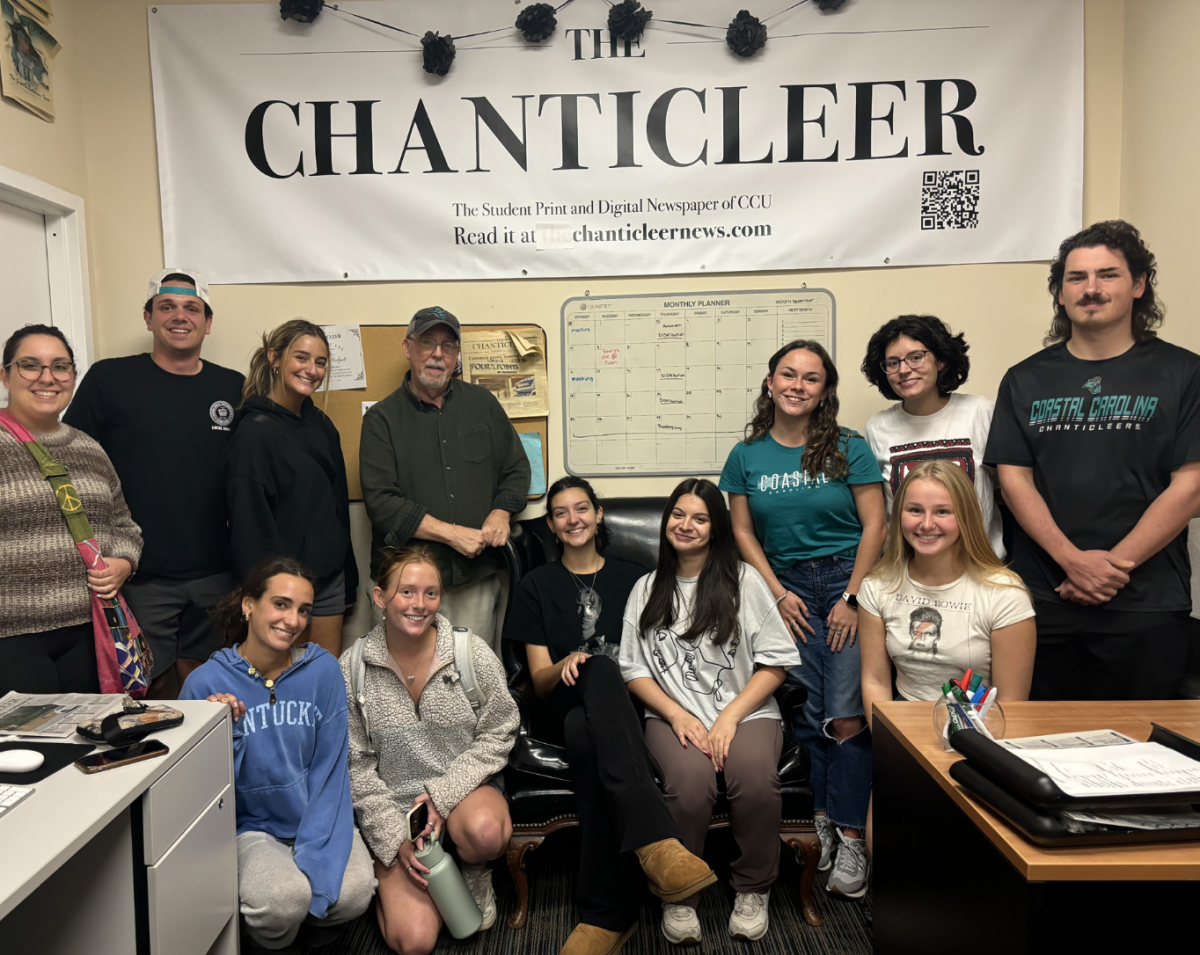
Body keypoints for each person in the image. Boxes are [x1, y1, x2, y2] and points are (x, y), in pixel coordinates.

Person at [985, 220, 1200, 701]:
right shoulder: (1024, 379)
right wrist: (1071, 562)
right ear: (1060, 294)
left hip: (1146, 602)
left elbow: (1190, 486)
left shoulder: (1186, 373)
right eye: (1077, 278)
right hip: (1044, 598)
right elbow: (1014, 481)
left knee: (1141, 761)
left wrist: (1109, 568)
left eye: (1108, 274)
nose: (1091, 289)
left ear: (1139, 285)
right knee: (1037, 751)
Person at [504, 477, 716, 955]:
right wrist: (564, 664)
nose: (573, 519)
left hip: (629, 706)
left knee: (587, 734)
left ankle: (607, 915)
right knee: (594, 674)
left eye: (582, 508)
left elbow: (663, 652)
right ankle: (655, 842)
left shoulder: (636, 577)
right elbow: (538, 680)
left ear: (599, 515)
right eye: (560, 513)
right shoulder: (536, 585)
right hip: (564, 698)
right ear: (553, 526)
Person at [719, 340, 886, 900]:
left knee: (846, 716)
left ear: (824, 391)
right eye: (787, 374)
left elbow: (875, 525)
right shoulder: (746, 456)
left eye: (811, 378)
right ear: (769, 383)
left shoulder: (849, 447)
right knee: (813, 717)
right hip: (785, 590)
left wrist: (853, 597)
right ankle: (821, 823)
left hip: (845, 585)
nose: (797, 385)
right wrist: (775, 594)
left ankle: (849, 835)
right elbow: (742, 533)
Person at [620, 479, 801, 945]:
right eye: (678, 515)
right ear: (665, 524)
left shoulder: (744, 580)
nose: (686, 525)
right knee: (688, 786)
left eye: (700, 518)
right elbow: (633, 671)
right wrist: (678, 716)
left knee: (756, 779)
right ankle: (679, 895)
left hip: (748, 711)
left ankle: (753, 888)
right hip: (671, 715)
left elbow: (776, 662)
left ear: (716, 527)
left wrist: (728, 718)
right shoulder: (645, 589)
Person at [64, 269, 245, 698]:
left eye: (191, 308)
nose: (179, 316)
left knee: (212, 687)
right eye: (166, 306)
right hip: (139, 573)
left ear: (208, 322)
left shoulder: (233, 386)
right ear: (148, 318)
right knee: (145, 689)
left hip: (218, 572)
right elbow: (71, 461)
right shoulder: (109, 380)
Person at [180, 557, 375, 952]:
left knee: (353, 893)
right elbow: (197, 795)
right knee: (284, 900)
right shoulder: (205, 683)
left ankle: (314, 930)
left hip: (317, 816)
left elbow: (332, 767)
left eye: (304, 610)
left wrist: (318, 850)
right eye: (281, 604)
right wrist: (223, 730)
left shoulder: (322, 671)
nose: (294, 620)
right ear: (249, 605)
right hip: (248, 829)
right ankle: (275, 940)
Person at [343, 544, 518, 955]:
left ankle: (473, 870)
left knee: (485, 832)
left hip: (464, 794)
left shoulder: (468, 652)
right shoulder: (351, 669)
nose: (420, 604)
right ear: (380, 597)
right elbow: (355, 766)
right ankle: (386, 877)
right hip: (395, 810)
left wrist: (442, 796)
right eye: (406, 592)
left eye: (431, 593)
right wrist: (393, 840)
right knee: (417, 940)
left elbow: (501, 730)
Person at [359, 306, 531, 653]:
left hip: (474, 581)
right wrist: (453, 535)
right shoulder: (381, 420)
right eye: (427, 343)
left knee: (472, 680)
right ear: (408, 348)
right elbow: (382, 504)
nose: (437, 354)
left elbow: (517, 469)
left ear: (456, 356)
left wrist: (500, 513)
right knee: (404, 683)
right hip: (407, 587)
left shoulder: (482, 403)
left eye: (448, 346)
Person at [0, 324, 143, 695]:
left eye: (60, 367)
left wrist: (123, 564)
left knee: (89, 746)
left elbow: (125, 526)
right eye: (30, 365)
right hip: (11, 639)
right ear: (5, 375)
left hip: (90, 633)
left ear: (73, 377)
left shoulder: (90, 449)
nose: (47, 378)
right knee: (26, 752)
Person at [859, 460, 1036, 716]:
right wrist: (889, 743)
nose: (927, 524)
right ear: (899, 514)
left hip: (979, 727)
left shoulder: (1005, 594)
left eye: (942, 511)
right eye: (915, 510)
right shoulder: (877, 585)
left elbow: (1011, 704)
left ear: (965, 517)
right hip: (903, 722)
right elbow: (875, 681)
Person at [226, 319, 357, 658]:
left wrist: (349, 580)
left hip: (329, 582)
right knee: (282, 687)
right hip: (280, 591)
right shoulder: (253, 433)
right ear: (274, 357)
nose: (311, 370)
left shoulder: (323, 426)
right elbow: (250, 525)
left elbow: (338, 506)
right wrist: (269, 595)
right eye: (301, 358)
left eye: (321, 362)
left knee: (324, 681)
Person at [861, 314, 1004, 558]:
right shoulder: (878, 427)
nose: (904, 370)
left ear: (940, 360)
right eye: (893, 363)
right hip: (907, 571)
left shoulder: (980, 412)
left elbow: (1008, 488)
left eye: (916, 357)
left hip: (980, 568)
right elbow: (879, 511)